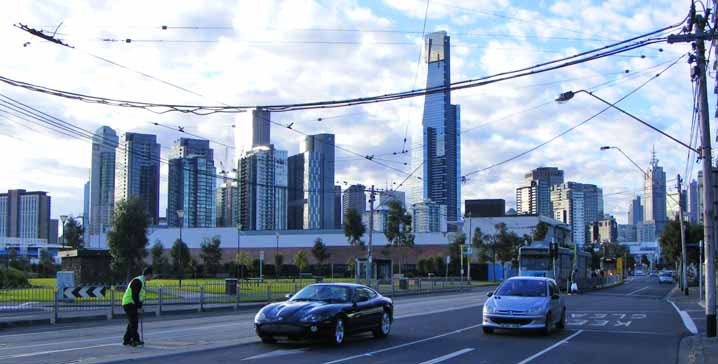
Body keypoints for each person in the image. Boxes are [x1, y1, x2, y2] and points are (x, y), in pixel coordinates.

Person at [122, 266, 153, 346]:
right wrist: (139, 307)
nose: (152, 277)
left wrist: (140, 306)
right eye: (151, 275)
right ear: (148, 274)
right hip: (129, 303)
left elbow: (140, 296)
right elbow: (135, 295)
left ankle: (127, 340)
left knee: (131, 322)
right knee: (134, 322)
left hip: (131, 303)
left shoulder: (142, 281)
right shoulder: (138, 281)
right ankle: (135, 340)